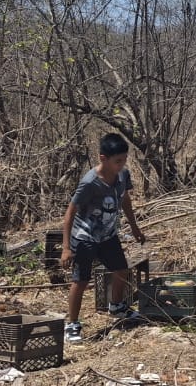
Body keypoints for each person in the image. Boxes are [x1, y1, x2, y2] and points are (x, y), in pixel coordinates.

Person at [61, 133, 146, 343]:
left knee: (122, 270)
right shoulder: (90, 183)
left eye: (124, 160)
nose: (122, 164)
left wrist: (135, 228)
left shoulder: (123, 176)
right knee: (80, 281)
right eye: (117, 161)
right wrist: (66, 248)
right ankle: (72, 324)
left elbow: (125, 200)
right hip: (85, 237)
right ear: (103, 158)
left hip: (108, 235)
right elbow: (70, 213)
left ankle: (116, 306)